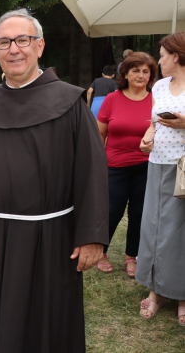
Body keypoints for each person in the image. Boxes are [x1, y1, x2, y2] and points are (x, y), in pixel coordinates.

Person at [0, 9, 109, 353]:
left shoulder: (69, 100)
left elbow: (92, 171)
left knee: (48, 323)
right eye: (4, 42)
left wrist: (92, 236)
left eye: (22, 40)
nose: (14, 49)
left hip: (52, 237)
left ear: (40, 46)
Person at [138, 32, 185, 325]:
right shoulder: (159, 86)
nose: (159, 60)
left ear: (176, 57)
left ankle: (181, 295)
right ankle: (155, 291)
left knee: (178, 232)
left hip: (183, 169)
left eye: (162, 55)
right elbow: (154, 121)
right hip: (157, 164)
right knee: (154, 227)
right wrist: (148, 136)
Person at [96, 52, 157, 277]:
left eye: (145, 71)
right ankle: (101, 251)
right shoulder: (112, 99)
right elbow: (99, 135)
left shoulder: (156, 100)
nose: (140, 75)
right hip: (114, 167)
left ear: (151, 75)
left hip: (147, 166)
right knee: (112, 212)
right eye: (135, 70)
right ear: (125, 73)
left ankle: (132, 256)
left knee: (139, 213)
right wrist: (98, 165)